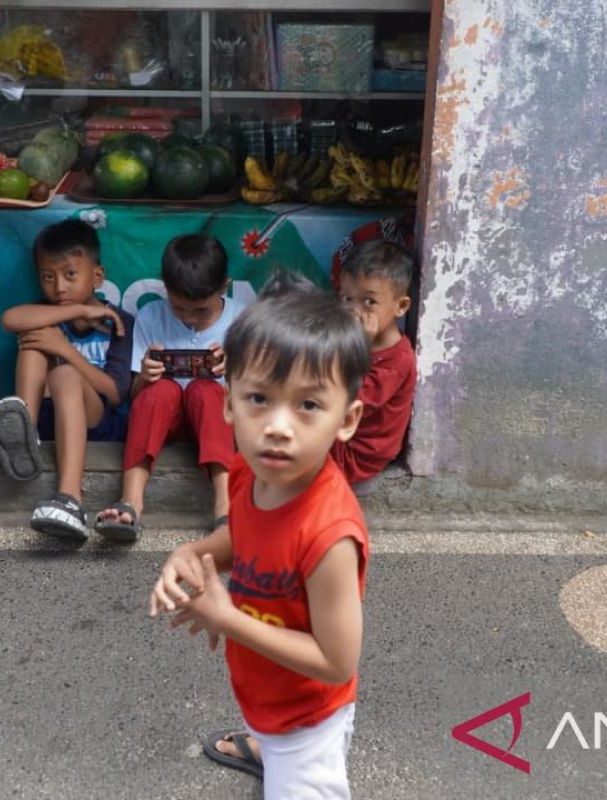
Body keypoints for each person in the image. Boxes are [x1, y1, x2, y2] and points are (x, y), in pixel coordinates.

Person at [149, 290, 371, 799]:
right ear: (228, 403)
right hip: (267, 691)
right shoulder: (250, 471)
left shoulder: (330, 534)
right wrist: (194, 553)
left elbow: (338, 663)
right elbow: (243, 536)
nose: (277, 426)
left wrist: (227, 620)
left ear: (347, 419)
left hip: (308, 721)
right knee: (269, 727)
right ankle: (262, 747)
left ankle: (276, 754)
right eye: (259, 398)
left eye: (309, 404)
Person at [0, 219, 134, 542]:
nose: (59, 287)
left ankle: (70, 499)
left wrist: (66, 350)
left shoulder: (119, 322)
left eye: (70, 275)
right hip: (52, 415)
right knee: (37, 340)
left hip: (97, 419)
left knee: (64, 371)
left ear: (97, 276)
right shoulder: (49, 313)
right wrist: (75, 312)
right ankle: (26, 435)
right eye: (48, 277)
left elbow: (114, 394)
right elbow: (11, 319)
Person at [93, 234, 246, 541]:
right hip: (167, 423)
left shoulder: (242, 320)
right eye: (179, 308)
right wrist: (145, 376)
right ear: (165, 287)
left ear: (224, 287)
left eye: (200, 311)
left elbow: (262, 400)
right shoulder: (151, 316)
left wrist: (237, 372)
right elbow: (136, 397)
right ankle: (131, 502)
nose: (189, 318)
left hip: (220, 424)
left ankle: (225, 508)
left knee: (205, 390)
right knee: (161, 390)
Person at [332, 239, 417, 485]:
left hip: (358, 454)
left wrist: (360, 347)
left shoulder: (397, 360)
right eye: (347, 299)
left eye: (369, 302)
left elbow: (352, 401)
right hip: (340, 434)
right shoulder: (348, 336)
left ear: (400, 306)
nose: (354, 310)